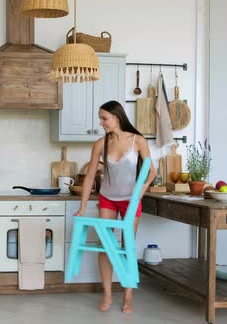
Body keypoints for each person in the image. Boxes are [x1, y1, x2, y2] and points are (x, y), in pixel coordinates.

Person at [74, 100, 156, 313]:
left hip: (131, 200)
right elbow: (91, 175)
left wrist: (141, 191)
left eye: (104, 118)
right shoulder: (101, 144)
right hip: (108, 198)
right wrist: (83, 206)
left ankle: (128, 296)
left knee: (127, 246)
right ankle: (108, 295)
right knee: (105, 246)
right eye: (100, 119)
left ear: (116, 117)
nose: (101, 123)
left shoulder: (137, 141)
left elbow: (151, 171)